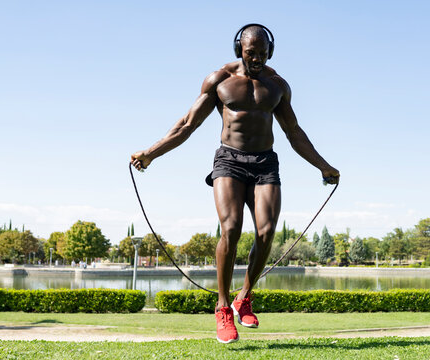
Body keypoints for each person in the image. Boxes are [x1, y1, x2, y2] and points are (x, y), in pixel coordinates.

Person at [131, 24, 339, 344]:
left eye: (262, 54)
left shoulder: (278, 86)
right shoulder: (220, 80)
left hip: (265, 162)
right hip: (229, 160)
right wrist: (150, 154)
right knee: (230, 229)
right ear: (238, 49)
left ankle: (244, 297)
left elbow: (294, 133)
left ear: (270, 52)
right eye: (250, 52)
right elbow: (187, 125)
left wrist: (323, 166)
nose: (256, 59)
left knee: (267, 232)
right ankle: (223, 307)